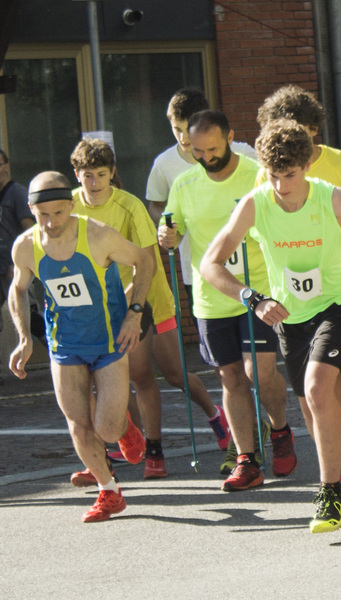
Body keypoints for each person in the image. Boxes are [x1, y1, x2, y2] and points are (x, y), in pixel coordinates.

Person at [202, 119, 341, 532]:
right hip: (289, 314)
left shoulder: (329, 198)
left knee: (320, 390)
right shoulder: (255, 203)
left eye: (291, 174)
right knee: (312, 408)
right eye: (274, 175)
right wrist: (252, 297)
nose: (282, 185)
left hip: (337, 304)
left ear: (305, 167)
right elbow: (211, 264)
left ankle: (330, 493)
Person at [69, 138, 231, 480]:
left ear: (113, 172)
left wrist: (132, 305)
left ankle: (214, 416)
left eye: (101, 174)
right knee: (111, 379)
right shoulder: (67, 207)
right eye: (87, 175)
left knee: (165, 375)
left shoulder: (128, 206)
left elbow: (148, 262)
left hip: (146, 297)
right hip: (101, 306)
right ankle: (123, 453)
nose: (95, 183)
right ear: (76, 174)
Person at [159, 110, 296, 489]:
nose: (205, 157)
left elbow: (283, 216)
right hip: (212, 296)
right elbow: (171, 226)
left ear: (231, 136)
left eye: (213, 149)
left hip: (259, 293)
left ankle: (280, 430)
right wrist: (166, 236)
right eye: (197, 150)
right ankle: (246, 459)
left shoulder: (256, 172)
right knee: (231, 377)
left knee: (259, 372)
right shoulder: (185, 183)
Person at [9, 171, 153, 521]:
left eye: (59, 213)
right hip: (65, 344)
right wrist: (25, 337)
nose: (51, 222)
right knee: (77, 423)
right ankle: (109, 490)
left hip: (107, 341)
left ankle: (124, 429)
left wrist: (134, 314)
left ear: (70, 207)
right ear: (31, 209)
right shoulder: (26, 245)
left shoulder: (98, 235)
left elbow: (144, 261)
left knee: (105, 427)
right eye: (43, 215)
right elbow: (17, 288)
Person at [256, 85, 341, 471]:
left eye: (295, 128)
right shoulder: (270, 172)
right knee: (317, 384)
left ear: (313, 128)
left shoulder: (339, 162)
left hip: (340, 280)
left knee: (327, 375)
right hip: (292, 292)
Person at [146, 89, 256, 312]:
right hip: (196, 268)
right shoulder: (164, 163)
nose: (183, 138)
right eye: (176, 129)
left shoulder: (244, 153)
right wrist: (171, 227)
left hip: (252, 268)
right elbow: (157, 206)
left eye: (188, 130)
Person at [0, 149, 35, 302]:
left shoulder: (17, 193)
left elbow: (31, 232)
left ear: (6, 166)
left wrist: (18, 263)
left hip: (13, 271)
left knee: (25, 311)